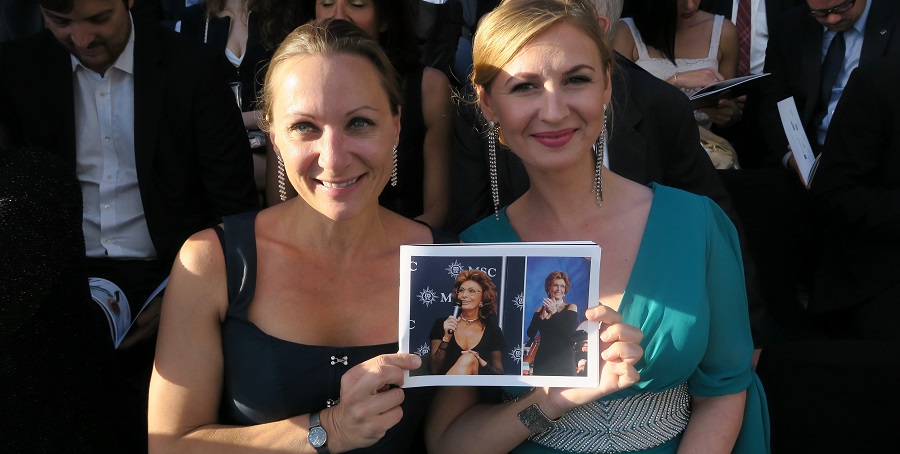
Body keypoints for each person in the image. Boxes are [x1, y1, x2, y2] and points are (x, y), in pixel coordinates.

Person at [426, 1, 768, 452]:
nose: (554, 111)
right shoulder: (474, 257)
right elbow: (449, 442)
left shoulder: (695, 223)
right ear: (488, 103)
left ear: (607, 84)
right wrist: (550, 401)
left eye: (576, 80)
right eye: (524, 87)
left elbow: (724, 388)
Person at [148, 18, 456, 452]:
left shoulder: (450, 265)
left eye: (359, 123)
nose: (334, 158)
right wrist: (330, 429)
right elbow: (170, 445)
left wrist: (547, 401)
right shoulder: (211, 261)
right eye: (304, 127)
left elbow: (456, 439)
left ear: (396, 125)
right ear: (274, 136)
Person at [0, 1, 259, 450]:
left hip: (173, 275)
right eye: (61, 22)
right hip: (57, 280)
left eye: (99, 19)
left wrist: (185, 299)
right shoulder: (17, 70)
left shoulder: (192, 67)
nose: (82, 38)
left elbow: (234, 208)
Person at [266, 0, 453, 229]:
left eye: (356, 4)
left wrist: (386, 245)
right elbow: (280, 205)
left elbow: (438, 210)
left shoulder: (427, 88)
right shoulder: (288, 83)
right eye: (327, 3)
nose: (338, 16)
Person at [757, 0, 900, 174]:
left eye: (842, 7)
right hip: (808, 160)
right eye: (820, 13)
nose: (833, 19)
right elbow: (773, 100)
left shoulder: (893, 19)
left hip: (878, 163)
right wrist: (793, 159)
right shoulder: (789, 26)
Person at [180, 0, 273, 202]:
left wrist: (242, 120)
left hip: (271, 140)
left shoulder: (283, 13)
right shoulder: (195, 18)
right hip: (216, 143)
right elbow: (186, 98)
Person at [613, 0, 741, 129]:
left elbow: (732, 109)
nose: (690, 5)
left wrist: (729, 112)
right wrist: (676, 81)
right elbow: (618, 110)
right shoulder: (625, 32)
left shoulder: (724, 32)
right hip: (645, 139)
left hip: (705, 141)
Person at [429, 269, 505, 375]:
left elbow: (500, 375)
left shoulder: (493, 331)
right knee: (468, 358)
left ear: (483, 298)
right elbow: (433, 370)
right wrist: (446, 338)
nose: (464, 295)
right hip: (445, 384)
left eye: (472, 291)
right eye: (461, 290)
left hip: (476, 385)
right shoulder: (442, 324)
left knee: (469, 358)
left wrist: (481, 363)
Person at [526, 271, 579, 376]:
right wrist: (541, 317)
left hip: (564, 360)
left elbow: (567, 333)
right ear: (549, 288)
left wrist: (554, 312)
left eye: (562, 286)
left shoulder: (571, 307)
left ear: (565, 290)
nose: (559, 289)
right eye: (555, 285)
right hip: (543, 360)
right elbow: (531, 333)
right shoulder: (540, 309)